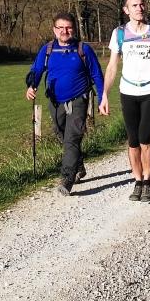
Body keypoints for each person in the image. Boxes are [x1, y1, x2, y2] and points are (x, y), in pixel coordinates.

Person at [99, 0, 150, 203]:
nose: (139, 8)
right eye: (134, 5)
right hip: (128, 92)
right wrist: (104, 95)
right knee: (132, 141)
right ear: (126, 10)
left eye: (141, 4)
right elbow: (112, 66)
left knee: (145, 138)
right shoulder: (119, 33)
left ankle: (148, 182)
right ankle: (137, 181)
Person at [25, 12, 105, 195]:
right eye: (60, 27)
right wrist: (31, 86)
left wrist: (103, 98)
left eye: (68, 27)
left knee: (72, 138)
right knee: (60, 132)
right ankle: (78, 165)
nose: (64, 31)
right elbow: (37, 70)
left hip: (79, 99)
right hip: (55, 101)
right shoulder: (47, 50)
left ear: (74, 29)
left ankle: (67, 179)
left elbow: (96, 75)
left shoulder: (83, 49)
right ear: (54, 30)